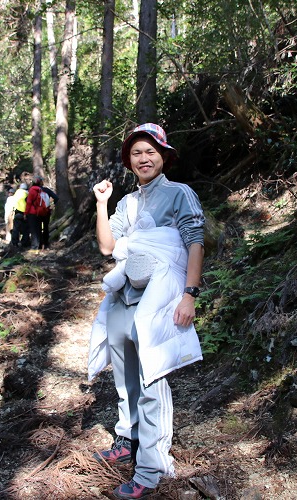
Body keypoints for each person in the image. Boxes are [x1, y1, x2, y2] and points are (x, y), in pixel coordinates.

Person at [89, 123, 205, 499]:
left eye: (150, 151)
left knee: (152, 379)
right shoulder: (127, 202)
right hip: (125, 294)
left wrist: (189, 295)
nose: (143, 158)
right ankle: (128, 437)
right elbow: (108, 247)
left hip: (157, 297)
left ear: (163, 155)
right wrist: (102, 203)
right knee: (124, 373)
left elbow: (194, 243)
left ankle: (150, 470)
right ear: (129, 161)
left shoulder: (178, 194)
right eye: (136, 153)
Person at [25, 175, 59, 249]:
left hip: (36, 213)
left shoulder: (32, 190)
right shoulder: (46, 190)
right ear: (41, 182)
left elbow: (27, 201)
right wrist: (52, 206)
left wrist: (26, 213)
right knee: (46, 228)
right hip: (46, 212)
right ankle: (46, 244)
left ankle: (39, 245)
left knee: (37, 229)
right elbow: (56, 197)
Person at [10, 183, 30, 247]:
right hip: (25, 213)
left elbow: (13, 202)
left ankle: (14, 242)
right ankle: (24, 242)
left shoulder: (16, 193)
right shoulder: (27, 193)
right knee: (26, 229)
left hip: (17, 212)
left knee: (16, 229)